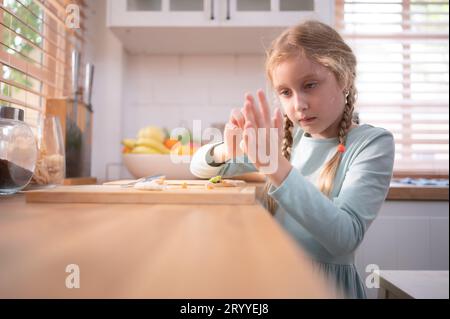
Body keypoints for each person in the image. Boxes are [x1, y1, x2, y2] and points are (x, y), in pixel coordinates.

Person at [190, 20, 395, 299]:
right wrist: (227, 150)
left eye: (310, 85)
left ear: (344, 78)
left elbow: (344, 238)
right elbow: (198, 167)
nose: (298, 104)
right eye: (285, 92)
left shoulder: (373, 144)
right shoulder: (290, 139)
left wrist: (277, 168)